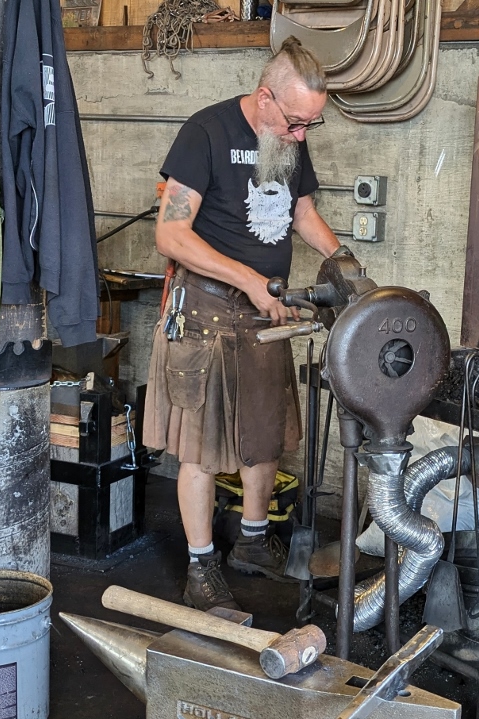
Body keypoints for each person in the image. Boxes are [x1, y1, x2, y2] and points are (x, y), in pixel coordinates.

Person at [142, 37, 341, 611]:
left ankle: (254, 543)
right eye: (297, 122)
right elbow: (171, 235)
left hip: (265, 316)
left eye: (312, 125)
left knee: (266, 432)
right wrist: (249, 279)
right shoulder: (205, 133)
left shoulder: (289, 140)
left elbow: (303, 213)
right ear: (264, 99)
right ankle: (201, 565)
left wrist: (344, 265)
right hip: (203, 316)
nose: (302, 135)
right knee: (199, 449)